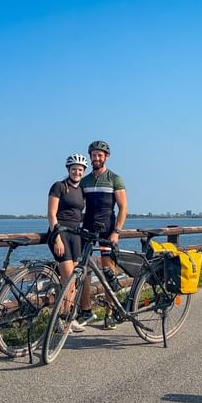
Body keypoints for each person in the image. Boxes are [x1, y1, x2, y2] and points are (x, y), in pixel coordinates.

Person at [77, 140, 128, 330]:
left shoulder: (115, 179)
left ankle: (110, 312)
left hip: (108, 229)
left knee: (108, 272)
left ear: (106, 157)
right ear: (90, 156)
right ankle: (86, 311)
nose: (96, 158)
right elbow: (78, 205)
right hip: (88, 228)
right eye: (93, 155)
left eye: (100, 155)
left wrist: (117, 231)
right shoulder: (85, 180)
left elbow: (123, 208)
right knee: (83, 271)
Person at [47, 153, 89, 333]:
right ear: (68, 170)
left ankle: (68, 317)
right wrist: (56, 237)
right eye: (74, 169)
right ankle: (59, 319)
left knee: (74, 281)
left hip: (75, 235)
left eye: (80, 170)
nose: (77, 172)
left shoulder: (81, 191)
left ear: (83, 171)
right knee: (67, 280)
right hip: (60, 233)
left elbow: (80, 214)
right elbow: (51, 213)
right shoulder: (59, 186)